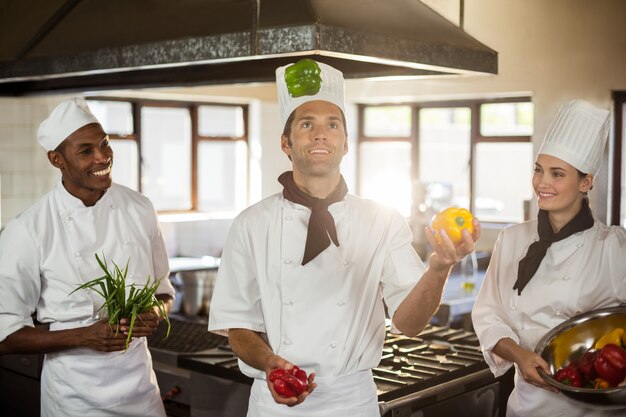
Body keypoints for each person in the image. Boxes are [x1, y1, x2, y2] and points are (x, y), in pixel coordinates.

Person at [208, 59, 480, 417]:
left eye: (332, 124)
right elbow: (238, 325)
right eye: (307, 124)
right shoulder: (251, 224)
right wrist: (271, 363)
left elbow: (409, 324)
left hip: (351, 403)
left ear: (346, 143)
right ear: (285, 143)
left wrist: (439, 267)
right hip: (274, 405)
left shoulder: (381, 220)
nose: (320, 134)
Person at [0, 98, 175, 417]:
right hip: (74, 400)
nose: (103, 156)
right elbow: (6, 335)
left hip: (141, 393)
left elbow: (163, 292)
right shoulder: (29, 229)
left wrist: (154, 311)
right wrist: (84, 335)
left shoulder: (140, 208)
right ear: (57, 159)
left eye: (105, 144)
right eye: (85, 150)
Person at [471, 100, 626, 417]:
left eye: (557, 174)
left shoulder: (614, 247)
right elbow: (489, 315)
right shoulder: (512, 240)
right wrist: (520, 355)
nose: (542, 183)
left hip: (595, 410)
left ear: (586, 182)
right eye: (539, 170)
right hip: (527, 406)